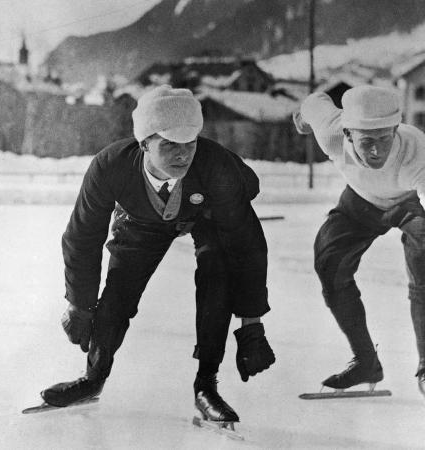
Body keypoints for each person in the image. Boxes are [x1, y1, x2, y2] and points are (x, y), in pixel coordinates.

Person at [39, 85, 275, 425]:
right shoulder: (110, 167)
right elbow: (81, 237)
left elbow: (247, 242)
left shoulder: (216, 167)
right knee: (118, 293)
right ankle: (93, 378)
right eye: (169, 145)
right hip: (142, 220)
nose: (182, 155)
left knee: (217, 275)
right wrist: (79, 303)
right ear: (144, 143)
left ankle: (206, 385)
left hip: (207, 211)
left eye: (189, 144)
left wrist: (252, 323)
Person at [293, 85, 425, 409]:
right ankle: (366, 362)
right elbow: (313, 103)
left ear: (396, 129)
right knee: (329, 260)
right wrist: (302, 117)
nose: (377, 152)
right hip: (365, 195)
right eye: (367, 142)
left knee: (422, 265)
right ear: (347, 134)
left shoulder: (415, 153)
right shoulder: (330, 132)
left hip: (417, 196)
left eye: (385, 139)